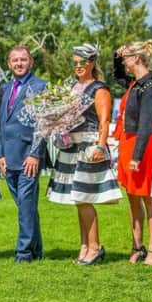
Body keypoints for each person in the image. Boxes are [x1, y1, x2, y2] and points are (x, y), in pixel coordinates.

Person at [47, 44, 122, 265]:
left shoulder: (100, 89)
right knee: (77, 199)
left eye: (83, 62)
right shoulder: (71, 88)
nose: (78, 66)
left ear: (92, 62)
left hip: (89, 145)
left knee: (85, 198)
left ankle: (95, 247)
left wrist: (100, 146)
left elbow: (104, 120)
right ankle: (84, 245)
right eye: (75, 63)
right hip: (71, 145)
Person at [0, 45, 48, 263]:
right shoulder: (5, 88)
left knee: (25, 203)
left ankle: (23, 252)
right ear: (9, 63)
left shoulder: (40, 86)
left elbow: (44, 124)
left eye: (23, 60)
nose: (19, 63)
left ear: (31, 62)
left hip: (28, 156)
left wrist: (36, 154)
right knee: (25, 206)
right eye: (15, 60)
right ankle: (37, 249)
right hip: (8, 156)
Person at [113, 40, 152, 265]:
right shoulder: (133, 83)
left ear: (136, 59)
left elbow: (147, 124)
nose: (123, 63)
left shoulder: (149, 87)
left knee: (148, 198)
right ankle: (138, 245)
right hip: (127, 143)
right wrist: (117, 54)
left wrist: (137, 156)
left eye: (125, 58)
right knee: (132, 197)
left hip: (142, 146)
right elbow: (117, 74)